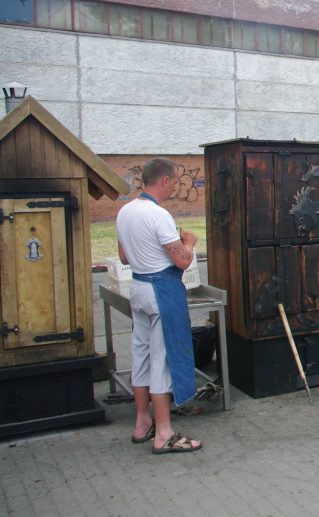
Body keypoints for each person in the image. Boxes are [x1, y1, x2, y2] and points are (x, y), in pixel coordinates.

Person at [116, 157, 202, 454]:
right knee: (162, 360)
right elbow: (182, 260)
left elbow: (125, 258)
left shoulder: (125, 212)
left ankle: (142, 423)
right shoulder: (158, 215)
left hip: (138, 287)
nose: (177, 186)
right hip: (161, 291)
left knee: (140, 356)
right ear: (164, 180)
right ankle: (163, 432)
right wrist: (188, 242)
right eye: (176, 181)